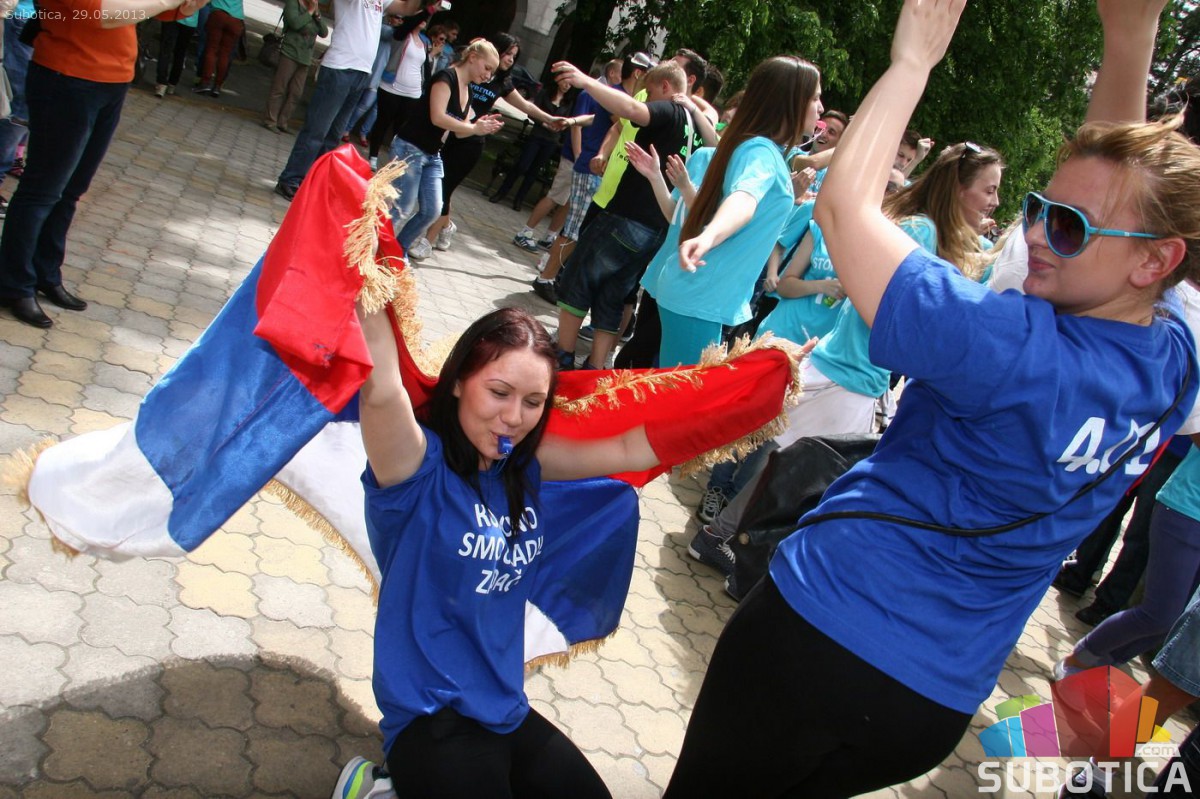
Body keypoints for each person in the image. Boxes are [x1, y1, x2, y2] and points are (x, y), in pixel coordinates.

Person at [663, 1, 1200, 796]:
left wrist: (912, 61)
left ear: (1156, 260)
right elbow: (1125, 193)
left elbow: (844, 210)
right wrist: (1132, 34)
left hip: (818, 636)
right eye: (1037, 209)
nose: (1038, 234)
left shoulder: (1005, 342)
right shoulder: (1176, 358)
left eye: (1068, 228)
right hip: (932, 703)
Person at [347, 304, 664, 796]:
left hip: (503, 708)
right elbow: (383, 389)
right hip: (430, 716)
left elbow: (629, 449)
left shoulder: (524, 468)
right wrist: (365, 270)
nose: (514, 418)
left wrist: (755, 394)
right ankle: (379, 787)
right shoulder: (412, 468)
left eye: (533, 402)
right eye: (499, 393)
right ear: (459, 381)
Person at [0, 0, 210, 329]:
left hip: (112, 80)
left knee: (72, 190)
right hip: (67, 75)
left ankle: (45, 273)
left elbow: (165, 11)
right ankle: (14, 284)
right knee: (42, 190)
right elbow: (101, 14)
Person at [637, 55, 823, 368]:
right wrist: (708, 237)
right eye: (815, 98)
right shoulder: (761, 152)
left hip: (700, 295)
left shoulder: (759, 149)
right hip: (699, 296)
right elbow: (744, 199)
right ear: (792, 100)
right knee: (682, 396)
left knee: (675, 391)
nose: (820, 108)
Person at [548, 59, 696, 371]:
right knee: (613, 294)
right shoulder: (690, 122)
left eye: (650, 92)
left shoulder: (669, 109)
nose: (647, 99)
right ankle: (596, 368)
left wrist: (586, 82)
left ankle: (563, 355)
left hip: (626, 217)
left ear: (665, 87)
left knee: (577, 278)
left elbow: (631, 110)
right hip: (656, 228)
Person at [413, 33, 567, 260]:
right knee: (443, 189)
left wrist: (549, 119)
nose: (510, 60)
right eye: (508, 54)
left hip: (471, 142)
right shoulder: (469, 71)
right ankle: (447, 227)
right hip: (449, 134)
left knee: (444, 190)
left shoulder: (502, 82)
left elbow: (526, 106)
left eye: (514, 57)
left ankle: (427, 241)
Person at [526, 52, 651, 304]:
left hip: (594, 167)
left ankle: (553, 276)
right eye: (650, 76)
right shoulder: (620, 99)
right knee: (573, 229)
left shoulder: (618, 97)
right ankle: (546, 278)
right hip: (591, 168)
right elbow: (621, 122)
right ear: (639, 73)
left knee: (576, 227)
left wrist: (573, 120)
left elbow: (596, 118)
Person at [274, 0, 422, 201]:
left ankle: (313, 182)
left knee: (334, 135)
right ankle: (290, 179)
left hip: (362, 72)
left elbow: (407, 8)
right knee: (317, 130)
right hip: (339, 68)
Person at [387, 39, 504, 253]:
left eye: (492, 72)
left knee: (433, 210)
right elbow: (438, 118)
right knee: (403, 205)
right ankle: (373, 251)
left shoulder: (467, 90)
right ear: (472, 57)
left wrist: (481, 128)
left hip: (432, 154)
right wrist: (474, 127)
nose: (488, 76)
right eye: (487, 68)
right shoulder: (446, 78)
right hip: (410, 147)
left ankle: (397, 250)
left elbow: (460, 131)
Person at [487, 73, 574, 209]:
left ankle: (519, 200)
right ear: (558, 80)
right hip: (537, 135)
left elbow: (567, 121)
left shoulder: (568, 102)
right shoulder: (544, 94)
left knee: (534, 171)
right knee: (521, 165)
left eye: (570, 84)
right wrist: (544, 123)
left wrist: (560, 128)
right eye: (565, 82)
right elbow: (531, 112)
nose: (567, 86)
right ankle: (501, 193)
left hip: (551, 140)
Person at [262, 0, 327, 133]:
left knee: (296, 92)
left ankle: (283, 122)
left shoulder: (315, 9)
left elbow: (324, 32)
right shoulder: (293, 4)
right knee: (279, 87)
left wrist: (317, 15)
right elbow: (295, 24)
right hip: (289, 52)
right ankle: (270, 120)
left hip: (305, 58)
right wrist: (309, 12)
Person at [192, 0, 242, 97]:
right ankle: (217, 86)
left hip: (218, 14)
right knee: (225, 55)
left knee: (211, 50)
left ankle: (205, 82)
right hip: (236, 19)